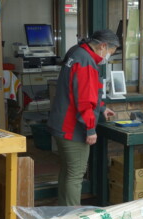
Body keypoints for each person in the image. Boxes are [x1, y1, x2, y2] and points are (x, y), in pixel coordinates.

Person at [48, 30, 119, 206]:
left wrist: (101, 107)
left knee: (67, 171)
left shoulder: (76, 52)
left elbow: (84, 89)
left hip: (61, 123)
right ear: (103, 46)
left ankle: (63, 211)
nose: (108, 57)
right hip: (73, 128)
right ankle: (73, 215)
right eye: (110, 52)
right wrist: (90, 129)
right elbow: (84, 100)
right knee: (75, 175)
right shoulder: (86, 61)